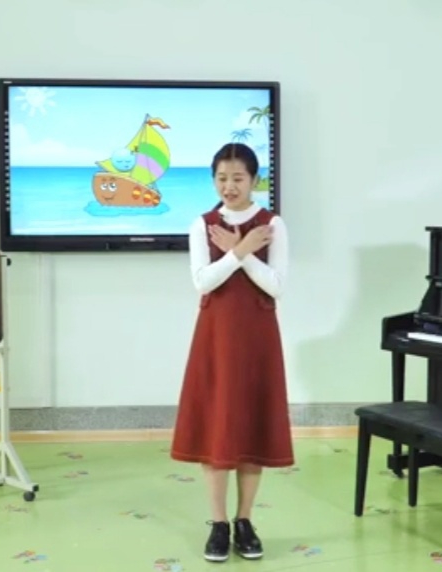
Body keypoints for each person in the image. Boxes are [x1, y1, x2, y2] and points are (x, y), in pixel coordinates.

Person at [170, 142, 293, 563]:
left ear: (254, 179)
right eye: (222, 178)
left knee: (251, 424)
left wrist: (245, 253)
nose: (229, 186)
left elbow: (276, 285)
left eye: (238, 178)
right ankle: (219, 523)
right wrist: (240, 250)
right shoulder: (202, 224)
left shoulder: (272, 224)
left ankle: (245, 520)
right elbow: (203, 282)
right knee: (217, 425)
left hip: (258, 337)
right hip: (216, 337)